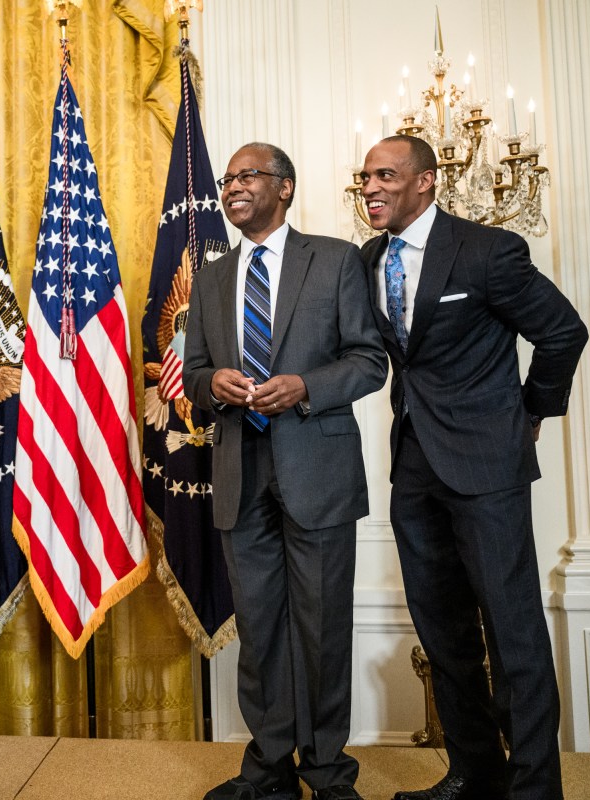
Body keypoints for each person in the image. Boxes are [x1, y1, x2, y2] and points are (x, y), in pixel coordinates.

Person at [359, 135, 588, 800]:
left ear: (427, 181)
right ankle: (474, 775)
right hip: (415, 471)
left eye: (386, 174)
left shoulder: (488, 251)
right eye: (365, 176)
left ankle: (536, 788)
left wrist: (531, 416)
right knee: (444, 630)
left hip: (489, 467)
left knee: (512, 629)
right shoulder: (370, 260)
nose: (371, 187)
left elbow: (562, 330)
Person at [183, 143, 386, 800]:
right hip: (241, 479)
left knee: (322, 629)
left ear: (285, 187)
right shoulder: (212, 277)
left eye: (249, 176)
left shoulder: (333, 260)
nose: (233, 187)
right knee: (262, 628)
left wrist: (303, 386)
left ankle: (326, 772)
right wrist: (213, 381)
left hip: (317, 474)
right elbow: (192, 376)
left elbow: (368, 361)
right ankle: (268, 772)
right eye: (228, 179)